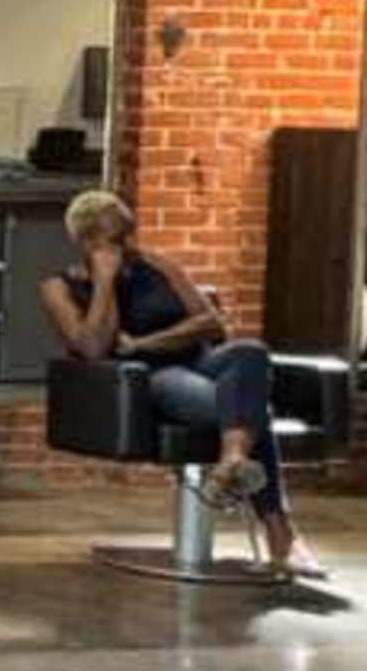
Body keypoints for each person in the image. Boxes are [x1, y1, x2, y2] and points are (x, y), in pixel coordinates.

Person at [38, 188, 306, 576]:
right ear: (84, 242)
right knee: (252, 409)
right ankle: (278, 528)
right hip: (155, 378)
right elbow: (94, 347)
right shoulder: (60, 287)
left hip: (203, 361)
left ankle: (231, 462)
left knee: (250, 351)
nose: (127, 246)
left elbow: (213, 323)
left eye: (129, 234)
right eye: (114, 240)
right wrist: (105, 283)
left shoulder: (158, 266)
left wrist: (145, 341)